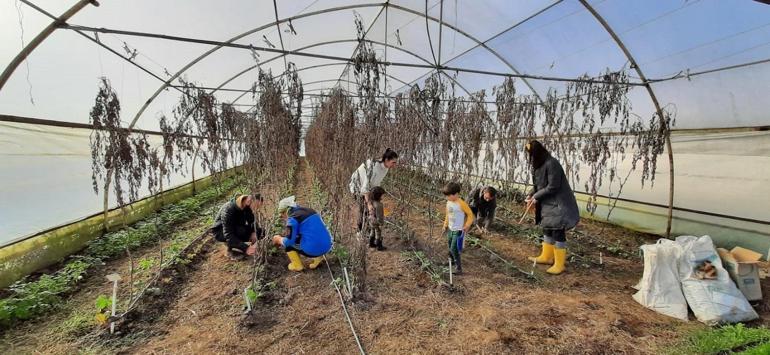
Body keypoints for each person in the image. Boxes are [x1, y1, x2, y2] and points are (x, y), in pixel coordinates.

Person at [525, 140, 580, 275]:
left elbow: (553, 187)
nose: (531, 157)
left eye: (531, 154)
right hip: (548, 204)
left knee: (557, 232)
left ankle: (559, 264)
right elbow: (540, 185)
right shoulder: (541, 164)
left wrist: (536, 196)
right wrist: (531, 195)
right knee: (547, 229)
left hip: (558, 204)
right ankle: (547, 257)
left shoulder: (552, 163)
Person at [271, 196, 333, 272]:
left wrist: (279, 239)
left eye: (282, 214)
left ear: (286, 211)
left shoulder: (293, 219)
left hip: (314, 249)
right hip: (327, 245)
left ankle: (297, 265)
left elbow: (289, 241)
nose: (282, 217)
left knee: (289, 245)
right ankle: (318, 258)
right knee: (312, 235)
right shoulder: (310, 211)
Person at [349, 148, 399, 239]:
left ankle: (367, 231)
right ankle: (359, 234)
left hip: (367, 187)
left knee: (372, 209)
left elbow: (375, 184)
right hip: (357, 186)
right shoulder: (374, 167)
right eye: (393, 162)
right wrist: (369, 203)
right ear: (386, 160)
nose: (394, 165)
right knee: (364, 209)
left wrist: (375, 199)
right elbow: (365, 187)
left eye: (395, 163)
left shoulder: (385, 168)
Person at [211, 194, 264, 260]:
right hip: (220, 232)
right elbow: (228, 234)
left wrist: (254, 232)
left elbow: (252, 221)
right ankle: (229, 250)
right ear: (249, 201)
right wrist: (246, 248)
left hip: (236, 228)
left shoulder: (247, 207)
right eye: (256, 206)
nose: (257, 209)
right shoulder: (228, 210)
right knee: (240, 231)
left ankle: (237, 244)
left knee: (261, 232)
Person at [441, 182, 474, 275]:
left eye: (448, 196)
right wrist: (445, 225)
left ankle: (459, 268)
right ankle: (451, 261)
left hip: (458, 230)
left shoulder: (461, 204)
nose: (446, 198)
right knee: (450, 245)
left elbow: (470, 215)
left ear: (456, 194)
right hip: (450, 229)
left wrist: (467, 225)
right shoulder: (448, 202)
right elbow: (447, 214)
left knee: (454, 248)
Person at [367, 186, 386, 251]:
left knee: (372, 230)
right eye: (382, 195)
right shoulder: (379, 205)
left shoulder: (371, 202)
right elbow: (379, 216)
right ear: (378, 196)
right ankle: (379, 246)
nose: (382, 197)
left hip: (370, 219)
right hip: (376, 220)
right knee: (378, 232)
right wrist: (381, 223)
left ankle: (371, 243)